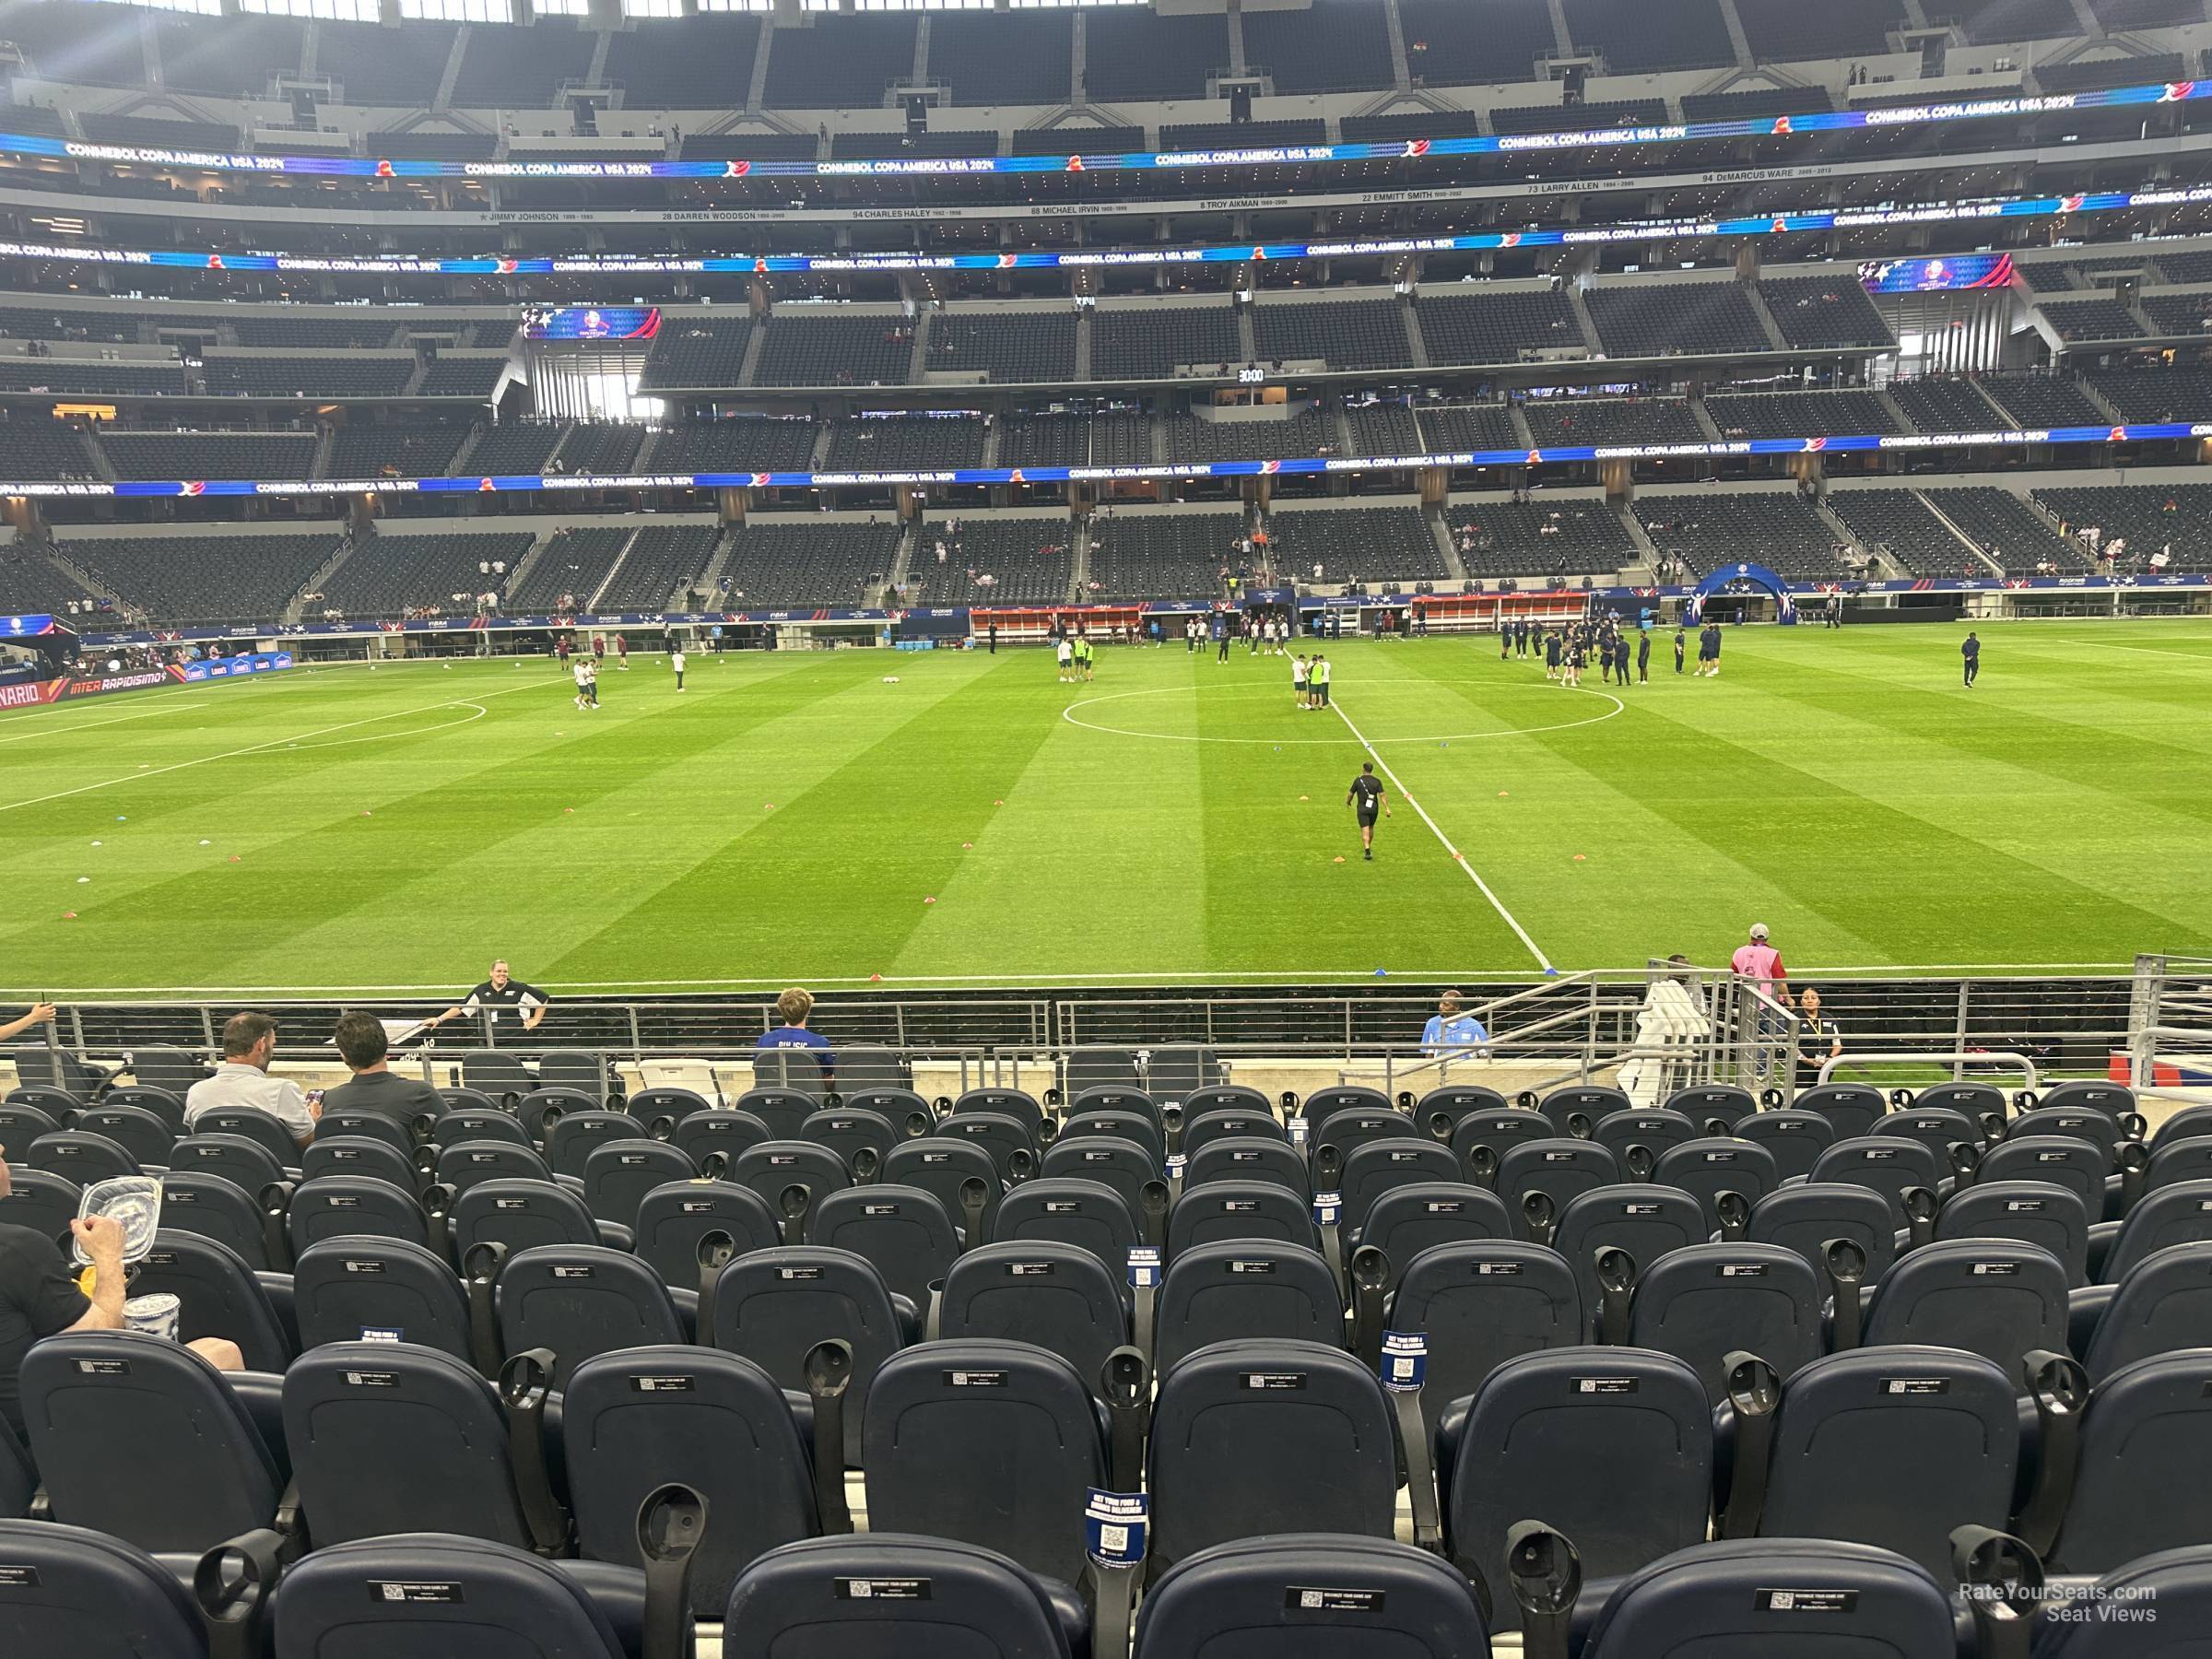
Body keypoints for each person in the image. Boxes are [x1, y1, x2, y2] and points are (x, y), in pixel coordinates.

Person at [0, 1154, 242, 1441]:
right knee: (221, 1352)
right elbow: (99, 1342)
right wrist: (107, 1256)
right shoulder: (18, 1250)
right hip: (48, 1439)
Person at [184, 1012, 319, 1145]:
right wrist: (314, 1121)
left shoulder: (196, 1092)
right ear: (261, 1045)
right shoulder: (282, 1089)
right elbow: (307, 1140)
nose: (272, 1051)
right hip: (274, 1166)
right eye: (272, 1045)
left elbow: (197, 1137)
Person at [321, 1010, 446, 1128]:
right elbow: (455, 1134)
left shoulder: (331, 1101)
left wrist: (318, 1124)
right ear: (386, 1045)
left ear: (344, 1056)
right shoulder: (420, 1093)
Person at [430, 959, 549, 1035]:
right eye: (499, 971)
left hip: (515, 1041)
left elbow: (542, 998)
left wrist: (536, 1020)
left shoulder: (519, 988)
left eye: (505, 971)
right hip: (487, 1042)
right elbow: (462, 1008)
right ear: (491, 973)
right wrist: (439, 1019)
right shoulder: (481, 990)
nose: (502, 974)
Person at [758, 987, 832, 1074]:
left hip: (774, 1087)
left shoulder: (764, 1040)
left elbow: (760, 1074)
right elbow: (828, 1080)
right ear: (808, 1010)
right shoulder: (820, 1043)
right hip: (808, 1087)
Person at [1794, 985, 1842, 1090]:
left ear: (1819, 1001)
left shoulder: (1829, 1018)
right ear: (1801, 1002)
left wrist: (1829, 1059)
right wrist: (1805, 1060)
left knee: (1822, 1093)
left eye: (1813, 998)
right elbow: (1791, 1045)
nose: (1810, 1001)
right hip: (1802, 1067)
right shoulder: (1794, 1019)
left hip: (1826, 1065)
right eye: (1806, 998)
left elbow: (1837, 1044)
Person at [1420, 990, 1489, 1057]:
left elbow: (1484, 1054)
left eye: (1445, 1004)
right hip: (1442, 1066)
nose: (1440, 1007)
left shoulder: (1473, 1025)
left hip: (1465, 1067)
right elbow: (1429, 1053)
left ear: (1457, 1007)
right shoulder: (1432, 1023)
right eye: (1440, 1003)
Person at [1347, 759, 1390, 861]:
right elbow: (1382, 795)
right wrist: (1387, 808)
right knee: (1371, 827)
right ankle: (1368, 846)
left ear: (1363, 769)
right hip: (1374, 808)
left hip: (1362, 808)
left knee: (1364, 829)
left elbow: (1350, 794)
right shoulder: (1377, 781)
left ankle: (1367, 850)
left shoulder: (1358, 780)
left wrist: (1348, 801)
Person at [1730, 923, 1786, 998]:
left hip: (1744, 1000)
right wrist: (1788, 999)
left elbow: (1734, 975)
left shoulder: (1739, 952)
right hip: (1766, 1001)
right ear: (1767, 937)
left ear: (1751, 936)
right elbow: (1779, 981)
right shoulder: (1772, 953)